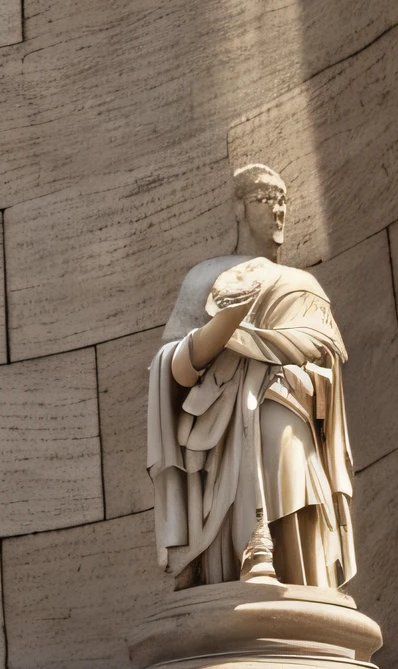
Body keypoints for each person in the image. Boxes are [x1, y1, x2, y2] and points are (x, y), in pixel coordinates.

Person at [149, 165, 357, 591]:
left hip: (289, 406)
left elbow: (328, 356)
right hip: (221, 426)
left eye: (282, 200)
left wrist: (271, 351)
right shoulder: (207, 276)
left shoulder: (304, 284)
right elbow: (171, 366)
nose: (277, 211)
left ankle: (303, 591)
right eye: (266, 200)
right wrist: (225, 325)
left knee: (281, 438)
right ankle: (246, 559)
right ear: (240, 208)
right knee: (258, 425)